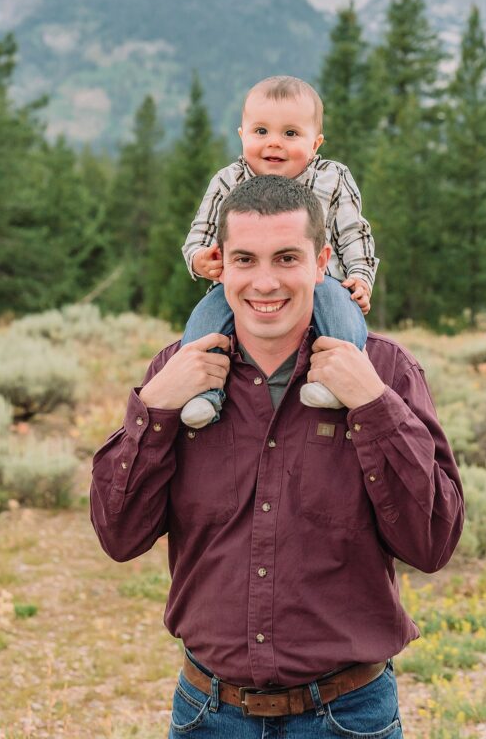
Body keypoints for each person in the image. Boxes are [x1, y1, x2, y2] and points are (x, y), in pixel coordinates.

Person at [90, 175, 464, 738]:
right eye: (245, 259)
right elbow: (118, 536)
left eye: (286, 257)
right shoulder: (179, 374)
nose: (264, 282)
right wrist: (156, 407)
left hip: (349, 717)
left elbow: (433, 542)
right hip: (207, 716)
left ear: (321, 262)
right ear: (223, 266)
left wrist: (374, 405)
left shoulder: (384, 371)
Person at [178, 74, 378, 428]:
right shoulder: (227, 180)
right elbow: (201, 231)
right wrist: (200, 258)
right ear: (242, 135)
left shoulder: (333, 178)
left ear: (315, 143)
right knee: (204, 321)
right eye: (261, 132)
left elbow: (353, 233)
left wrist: (360, 277)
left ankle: (334, 378)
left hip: (322, 281)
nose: (274, 144)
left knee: (342, 314)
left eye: (290, 133)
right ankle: (203, 393)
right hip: (235, 286)